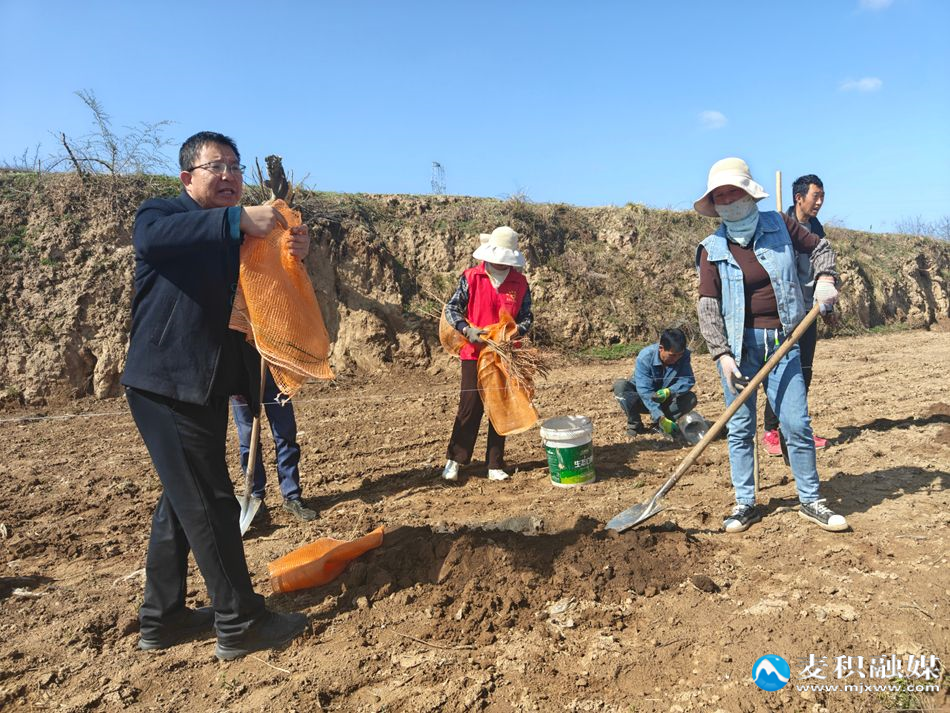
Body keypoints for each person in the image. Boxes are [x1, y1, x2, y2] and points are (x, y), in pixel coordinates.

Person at [122, 131, 309, 660]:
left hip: (203, 385)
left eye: (235, 166)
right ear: (188, 178)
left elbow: (264, 292)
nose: (228, 175)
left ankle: (162, 618)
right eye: (216, 166)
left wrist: (293, 251)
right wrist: (237, 220)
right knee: (211, 502)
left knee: (181, 502)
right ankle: (240, 621)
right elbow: (152, 240)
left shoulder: (237, 237)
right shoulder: (162, 214)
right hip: (166, 385)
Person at [694, 157, 847, 533]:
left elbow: (821, 249)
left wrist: (826, 278)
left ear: (749, 195)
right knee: (740, 427)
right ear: (714, 204)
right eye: (720, 196)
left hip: (784, 340)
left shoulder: (781, 224)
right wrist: (722, 355)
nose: (728, 201)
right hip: (738, 350)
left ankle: (810, 499)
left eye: (733, 193)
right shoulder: (711, 248)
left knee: (796, 423)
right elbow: (708, 306)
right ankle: (745, 503)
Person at [441, 226, 534, 482]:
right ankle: (455, 460)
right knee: (470, 406)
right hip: (474, 352)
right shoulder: (472, 277)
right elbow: (452, 309)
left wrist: (514, 332)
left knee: (499, 406)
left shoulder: (519, 283)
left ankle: (494, 463)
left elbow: (527, 317)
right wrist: (466, 329)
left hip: (504, 354)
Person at [761, 174, 828, 456]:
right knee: (781, 369)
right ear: (799, 198)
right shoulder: (779, 225)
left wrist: (827, 301)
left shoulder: (817, 229)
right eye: (815, 196)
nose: (820, 202)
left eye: (822, 196)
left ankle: (797, 428)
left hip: (809, 310)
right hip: (785, 312)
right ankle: (771, 430)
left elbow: (822, 264)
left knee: (804, 371)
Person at [230, 368, 317, 522]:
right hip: (241, 375)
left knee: (285, 433)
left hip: (276, 372)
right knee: (248, 439)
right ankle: (255, 497)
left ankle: (292, 496)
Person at [612, 328, 697, 440]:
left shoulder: (683, 355)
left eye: (679, 355)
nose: (676, 359)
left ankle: (663, 426)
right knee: (620, 386)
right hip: (642, 399)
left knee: (690, 398)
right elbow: (645, 391)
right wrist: (659, 416)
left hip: (666, 399)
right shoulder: (645, 357)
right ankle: (635, 425)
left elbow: (687, 380)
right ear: (661, 348)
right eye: (672, 355)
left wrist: (669, 391)